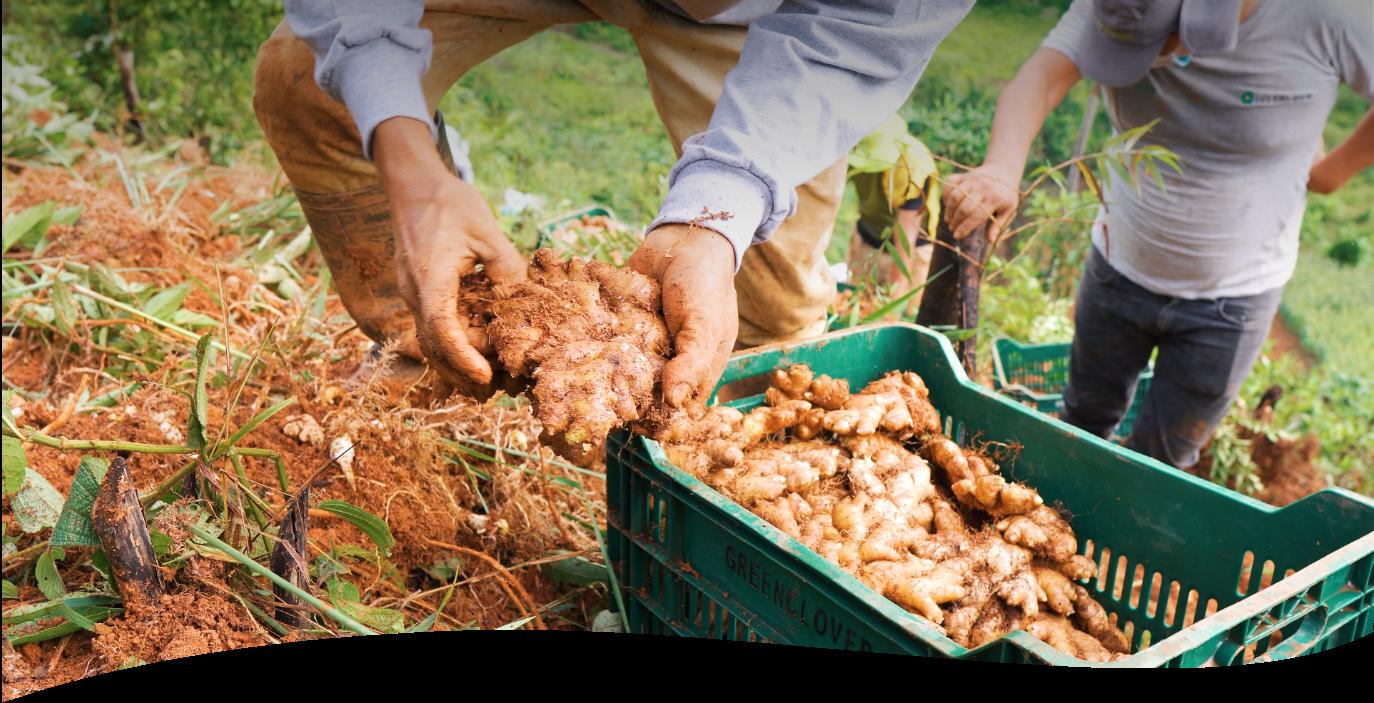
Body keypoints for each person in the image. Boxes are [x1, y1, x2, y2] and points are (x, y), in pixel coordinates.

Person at [254, 0, 974, 410]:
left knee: (772, 309)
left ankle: (703, 468)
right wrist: (407, 164)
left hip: (765, 15)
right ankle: (435, 348)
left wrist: (715, 219)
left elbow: (864, 31)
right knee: (310, 85)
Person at [942, 0, 1373, 468]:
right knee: (1081, 421)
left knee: (1165, 461)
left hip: (1232, 302)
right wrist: (1003, 166)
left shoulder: (1328, 14)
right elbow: (1042, 77)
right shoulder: (1122, 4)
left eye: (1161, 43)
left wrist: (1333, 173)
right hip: (1117, 267)